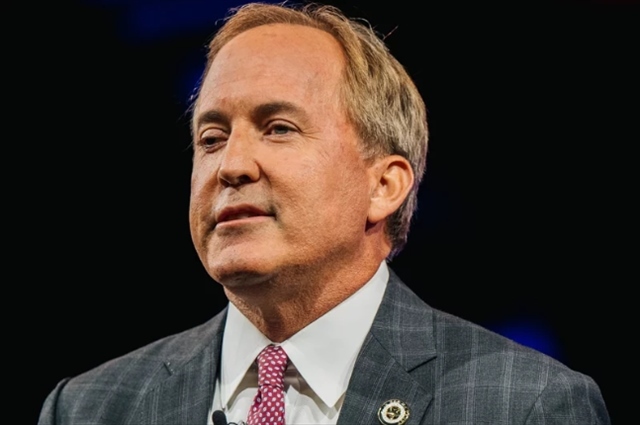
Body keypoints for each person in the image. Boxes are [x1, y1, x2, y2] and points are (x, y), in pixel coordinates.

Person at [39, 2, 610, 424]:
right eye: (211, 138)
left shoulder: (524, 404)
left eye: (278, 128)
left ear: (383, 185)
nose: (230, 165)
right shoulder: (88, 408)